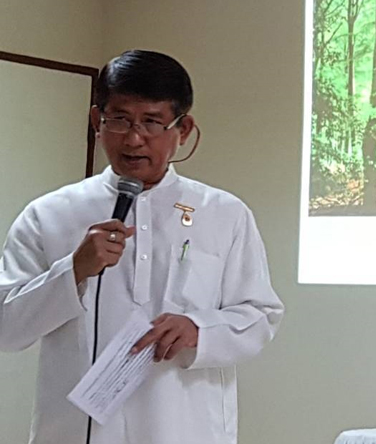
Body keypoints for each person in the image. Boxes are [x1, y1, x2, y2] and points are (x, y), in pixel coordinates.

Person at [0, 50, 284, 444]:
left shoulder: (224, 213)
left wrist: (199, 329)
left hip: (187, 428)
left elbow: (260, 316)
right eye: (119, 120)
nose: (133, 139)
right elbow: (7, 328)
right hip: (74, 430)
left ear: (184, 129)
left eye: (152, 122)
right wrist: (73, 270)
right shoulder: (48, 214)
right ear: (96, 121)